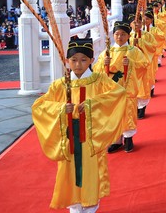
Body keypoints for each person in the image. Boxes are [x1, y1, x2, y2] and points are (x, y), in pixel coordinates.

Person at [31, 38, 125, 212]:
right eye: (73, 60)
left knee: (91, 174)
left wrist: (92, 104)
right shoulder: (61, 84)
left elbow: (118, 94)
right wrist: (60, 108)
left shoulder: (99, 80)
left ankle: (90, 208)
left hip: (91, 139)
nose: (78, 65)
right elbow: (39, 106)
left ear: (91, 60)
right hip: (69, 140)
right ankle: (75, 208)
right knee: (70, 174)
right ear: (68, 61)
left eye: (83, 60)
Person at [95, 21, 149, 153]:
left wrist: (131, 63)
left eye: (123, 34)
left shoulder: (134, 51)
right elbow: (96, 71)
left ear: (128, 36)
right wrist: (103, 64)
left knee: (127, 113)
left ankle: (129, 138)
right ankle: (116, 140)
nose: (119, 37)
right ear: (113, 35)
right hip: (112, 89)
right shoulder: (106, 53)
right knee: (113, 114)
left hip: (127, 88)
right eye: (117, 34)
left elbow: (144, 65)